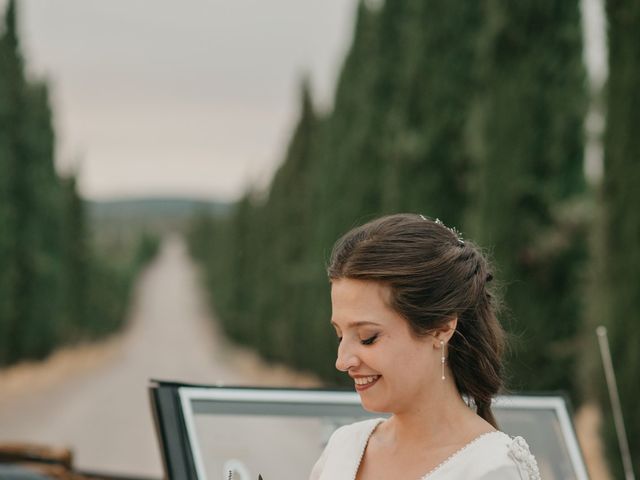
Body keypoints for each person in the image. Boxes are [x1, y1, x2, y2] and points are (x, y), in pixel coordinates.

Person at [309, 214, 540, 480]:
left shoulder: (493, 469)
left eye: (367, 337)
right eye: (340, 336)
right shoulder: (343, 449)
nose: (342, 360)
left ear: (441, 328)